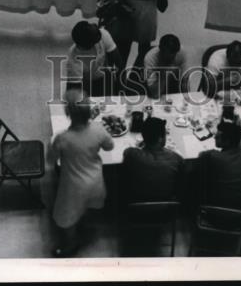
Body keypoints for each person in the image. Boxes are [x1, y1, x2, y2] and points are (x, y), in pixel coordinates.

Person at [49, 98, 114, 257]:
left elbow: (51, 161)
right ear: (89, 113)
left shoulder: (62, 138)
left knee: (66, 218)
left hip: (73, 185)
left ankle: (70, 246)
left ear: (68, 114)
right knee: (88, 206)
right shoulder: (98, 130)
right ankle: (85, 227)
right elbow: (109, 146)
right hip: (95, 182)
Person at [197, 120, 241, 212]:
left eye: (217, 136)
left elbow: (201, 155)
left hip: (215, 213)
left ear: (227, 141)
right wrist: (237, 128)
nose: (214, 138)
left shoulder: (212, 157)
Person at [121, 116, 183, 203]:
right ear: (160, 139)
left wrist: (142, 146)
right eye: (165, 134)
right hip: (166, 206)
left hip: (137, 203)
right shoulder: (177, 159)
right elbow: (180, 186)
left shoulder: (131, 154)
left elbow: (127, 152)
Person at [66, 21, 123, 96]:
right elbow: (74, 90)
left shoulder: (103, 34)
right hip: (84, 81)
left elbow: (118, 62)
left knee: (108, 102)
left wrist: (120, 87)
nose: (98, 42)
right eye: (95, 42)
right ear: (87, 46)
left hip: (103, 75)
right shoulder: (73, 60)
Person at [143, 34, 186, 98]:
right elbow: (155, 94)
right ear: (160, 50)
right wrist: (165, 74)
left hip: (173, 86)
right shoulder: (150, 59)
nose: (172, 60)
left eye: (174, 56)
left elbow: (185, 82)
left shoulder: (180, 53)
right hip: (156, 86)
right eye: (168, 57)